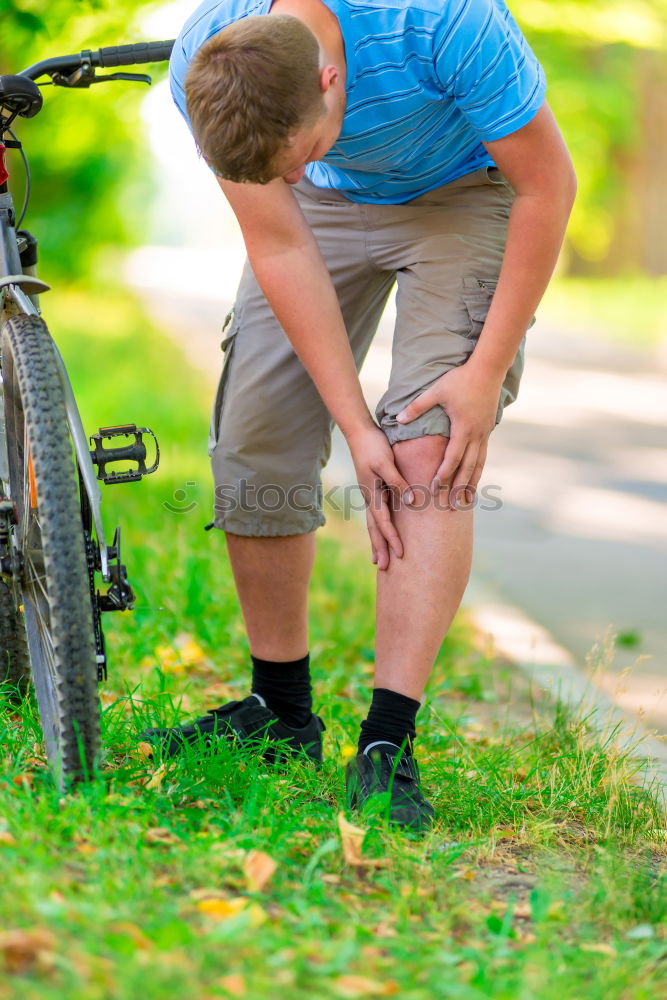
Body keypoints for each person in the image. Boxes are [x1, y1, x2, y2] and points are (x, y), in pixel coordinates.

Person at [142, 0, 576, 831]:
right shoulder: (212, 61)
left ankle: (387, 742)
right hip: (323, 224)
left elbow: (546, 185)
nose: (295, 174)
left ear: (331, 81)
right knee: (255, 437)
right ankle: (281, 714)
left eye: (299, 153)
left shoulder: (445, 23)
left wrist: (482, 372)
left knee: (427, 447)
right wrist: (352, 425)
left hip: (463, 192)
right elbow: (277, 238)